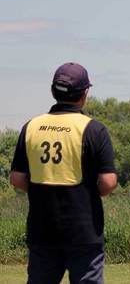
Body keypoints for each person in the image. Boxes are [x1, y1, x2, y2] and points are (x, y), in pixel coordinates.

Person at [10, 62, 117, 284]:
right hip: (84, 230)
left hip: (42, 228)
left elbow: (17, 178)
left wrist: (41, 190)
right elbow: (108, 182)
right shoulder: (94, 129)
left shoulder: (31, 126)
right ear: (85, 93)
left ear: (52, 91)